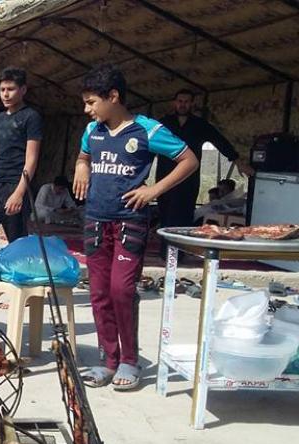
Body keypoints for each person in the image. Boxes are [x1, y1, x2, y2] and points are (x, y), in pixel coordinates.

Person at [74, 64, 198, 391]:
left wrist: (154, 190)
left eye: (91, 102)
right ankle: (107, 360)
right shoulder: (92, 131)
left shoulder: (147, 130)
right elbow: (83, 157)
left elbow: (189, 160)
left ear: (113, 97)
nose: (87, 109)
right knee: (98, 293)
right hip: (95, 221)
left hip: (129, 222)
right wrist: (81, 166)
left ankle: (130, 359)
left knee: (122, 290)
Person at [155, 89, 253, 235]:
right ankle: (166, 253)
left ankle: (182, 251)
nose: (183, 105)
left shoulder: (200, 125)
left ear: (192, 104)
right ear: (174, 103)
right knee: (165, 213)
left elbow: (221, 142)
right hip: (165, 176)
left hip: (189, 178)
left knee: (184, 213)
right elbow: (148, 146)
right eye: (180, 101)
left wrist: (237, 161)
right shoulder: (163, 124)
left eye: (186, 102)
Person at [0, 67, 42, 267]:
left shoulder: (31, 117)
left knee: (17, 243)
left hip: (16, 184)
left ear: (23, 90)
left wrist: (19, 193)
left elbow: (31, 158)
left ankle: (19, 290)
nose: (5, 94)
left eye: (11, 89)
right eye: (2, 89)